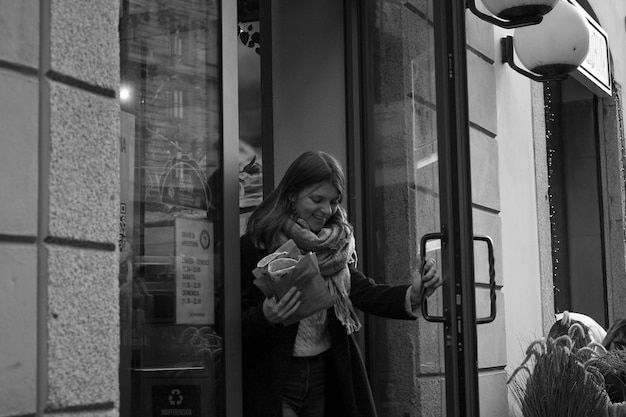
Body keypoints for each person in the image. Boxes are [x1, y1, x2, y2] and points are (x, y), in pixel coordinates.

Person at [240, 151, 442, 417]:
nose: (326, 210)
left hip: (326, 374)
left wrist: (414, 294)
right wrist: (263, 316)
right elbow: (230, 320)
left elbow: (363, 291)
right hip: (275, 378)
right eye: (317, 199)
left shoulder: (335, 246)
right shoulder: (257, 244)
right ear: (291, 194)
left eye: (334, 201)